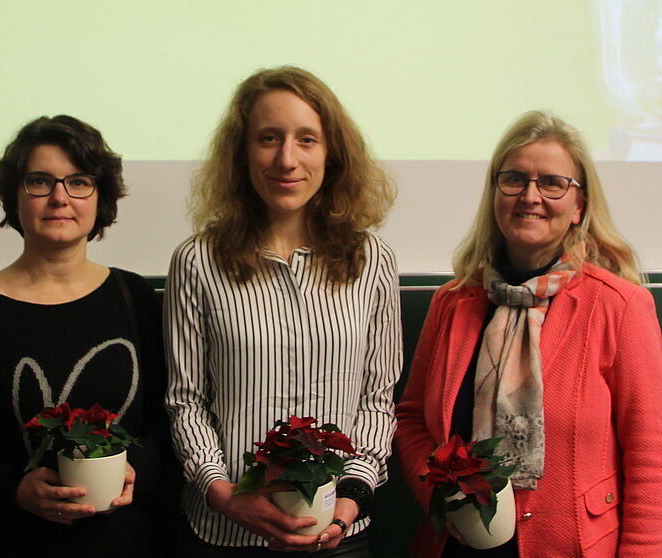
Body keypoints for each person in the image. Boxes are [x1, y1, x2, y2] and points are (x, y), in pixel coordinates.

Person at [395, 111, 662, 557]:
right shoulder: (452, 302)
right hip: (455, 545)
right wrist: (440, 498)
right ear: (495, 195)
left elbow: (650, 457)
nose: (530, 196)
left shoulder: (620, 306)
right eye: (514, 179)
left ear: (579, 207)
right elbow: (411, 421)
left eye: (552, 183)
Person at [164, 66, 402, 557]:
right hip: (226, 535)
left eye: (306, 139)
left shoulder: (372, 259)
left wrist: (350, 501)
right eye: (268, 138)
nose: (287, 159)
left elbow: (377, 401)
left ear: (332, 152)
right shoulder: (197, 261)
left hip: (338, 533)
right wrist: (223, 494)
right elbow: (186, 401)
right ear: (242, 152)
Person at [0, 115, 170, 557]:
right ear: (13, 195)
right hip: (9, 544)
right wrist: (13, 491)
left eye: (79, 182)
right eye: (39, 181)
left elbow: (169, 424)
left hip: (124, 543)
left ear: (101, 196)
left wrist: (138, 469)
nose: (59, 197)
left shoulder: (135, 299)